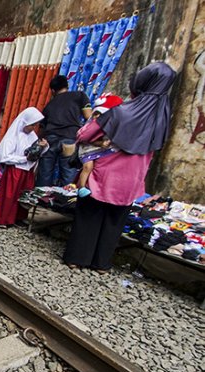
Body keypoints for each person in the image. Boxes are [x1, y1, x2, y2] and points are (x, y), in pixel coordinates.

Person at [63, 62, 175, 272]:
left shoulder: (122, 112)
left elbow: (85, 135)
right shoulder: (162, 117)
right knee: (114, 222)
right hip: (132, 181)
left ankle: (78, 258)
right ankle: (102, 263)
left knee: (90, 217)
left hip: (103, 176)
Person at [0, 107, 48, 227]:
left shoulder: (32, 136)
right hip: (15, 170)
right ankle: (3, 219)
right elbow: (6, 156)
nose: (33, 128)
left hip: (28, 171)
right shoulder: (13, 136)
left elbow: (36, 153)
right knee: (9, 196)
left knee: (24, 196)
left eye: (35, 125)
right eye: (31, 125)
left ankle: (18, 217)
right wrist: (24, 159)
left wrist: (43, 147)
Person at [37, 75, 92, 187]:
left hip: (50, 140)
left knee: (45, 173)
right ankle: (65, 201)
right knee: (68, 174)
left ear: (52, 91)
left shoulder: (48, 105)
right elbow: (88, 116)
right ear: (67, 86)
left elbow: (42, 130)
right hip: (70, 139)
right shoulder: (79, 95)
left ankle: (41, 198)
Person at [76, 93, 124, 197]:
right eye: (96, 114)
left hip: (97, 150)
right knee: (87, 167)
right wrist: (101, 143)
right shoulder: (90, 127)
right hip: (86, 149)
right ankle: (81, 187)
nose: (97, 117)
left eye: (100, 115)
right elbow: (86, 140)